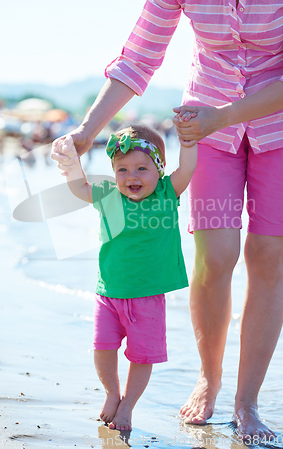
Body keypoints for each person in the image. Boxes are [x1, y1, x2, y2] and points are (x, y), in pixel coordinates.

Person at [51, 0, 283, 440]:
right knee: (216, 254)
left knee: (268, 256)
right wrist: (87, 130)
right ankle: (210, 377)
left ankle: (247, 402)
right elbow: (139, 56)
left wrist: (225, 114)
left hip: (280, 128)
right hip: (205, 138)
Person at [56, 123, 197, 431]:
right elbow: (79, 188)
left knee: (142, 356)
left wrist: (188, 141)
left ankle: (128, 405)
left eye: (142, 168)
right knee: (102, 346)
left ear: (159, 169)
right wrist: (70, 163)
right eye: (123, 170)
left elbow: (187, 169)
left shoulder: (166, 191)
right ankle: (111, 393)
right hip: (109, 292)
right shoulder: (108, 197)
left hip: (148, 296)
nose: (132, 177)